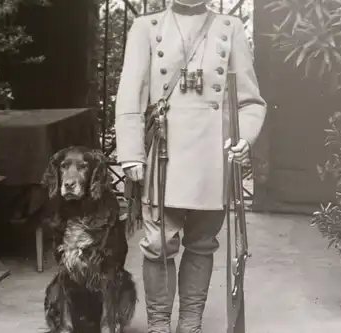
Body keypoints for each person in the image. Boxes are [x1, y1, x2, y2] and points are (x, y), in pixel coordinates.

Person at [114, 0, 267, 331]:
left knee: (202, 243)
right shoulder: (146, 28)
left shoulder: (230, 28)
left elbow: (250, 100)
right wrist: (130, 153)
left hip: (213, 156)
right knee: (158, 245)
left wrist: (245, 138)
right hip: (164, 155)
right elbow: (130, 95)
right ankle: (158, 326)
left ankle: (190, 325)